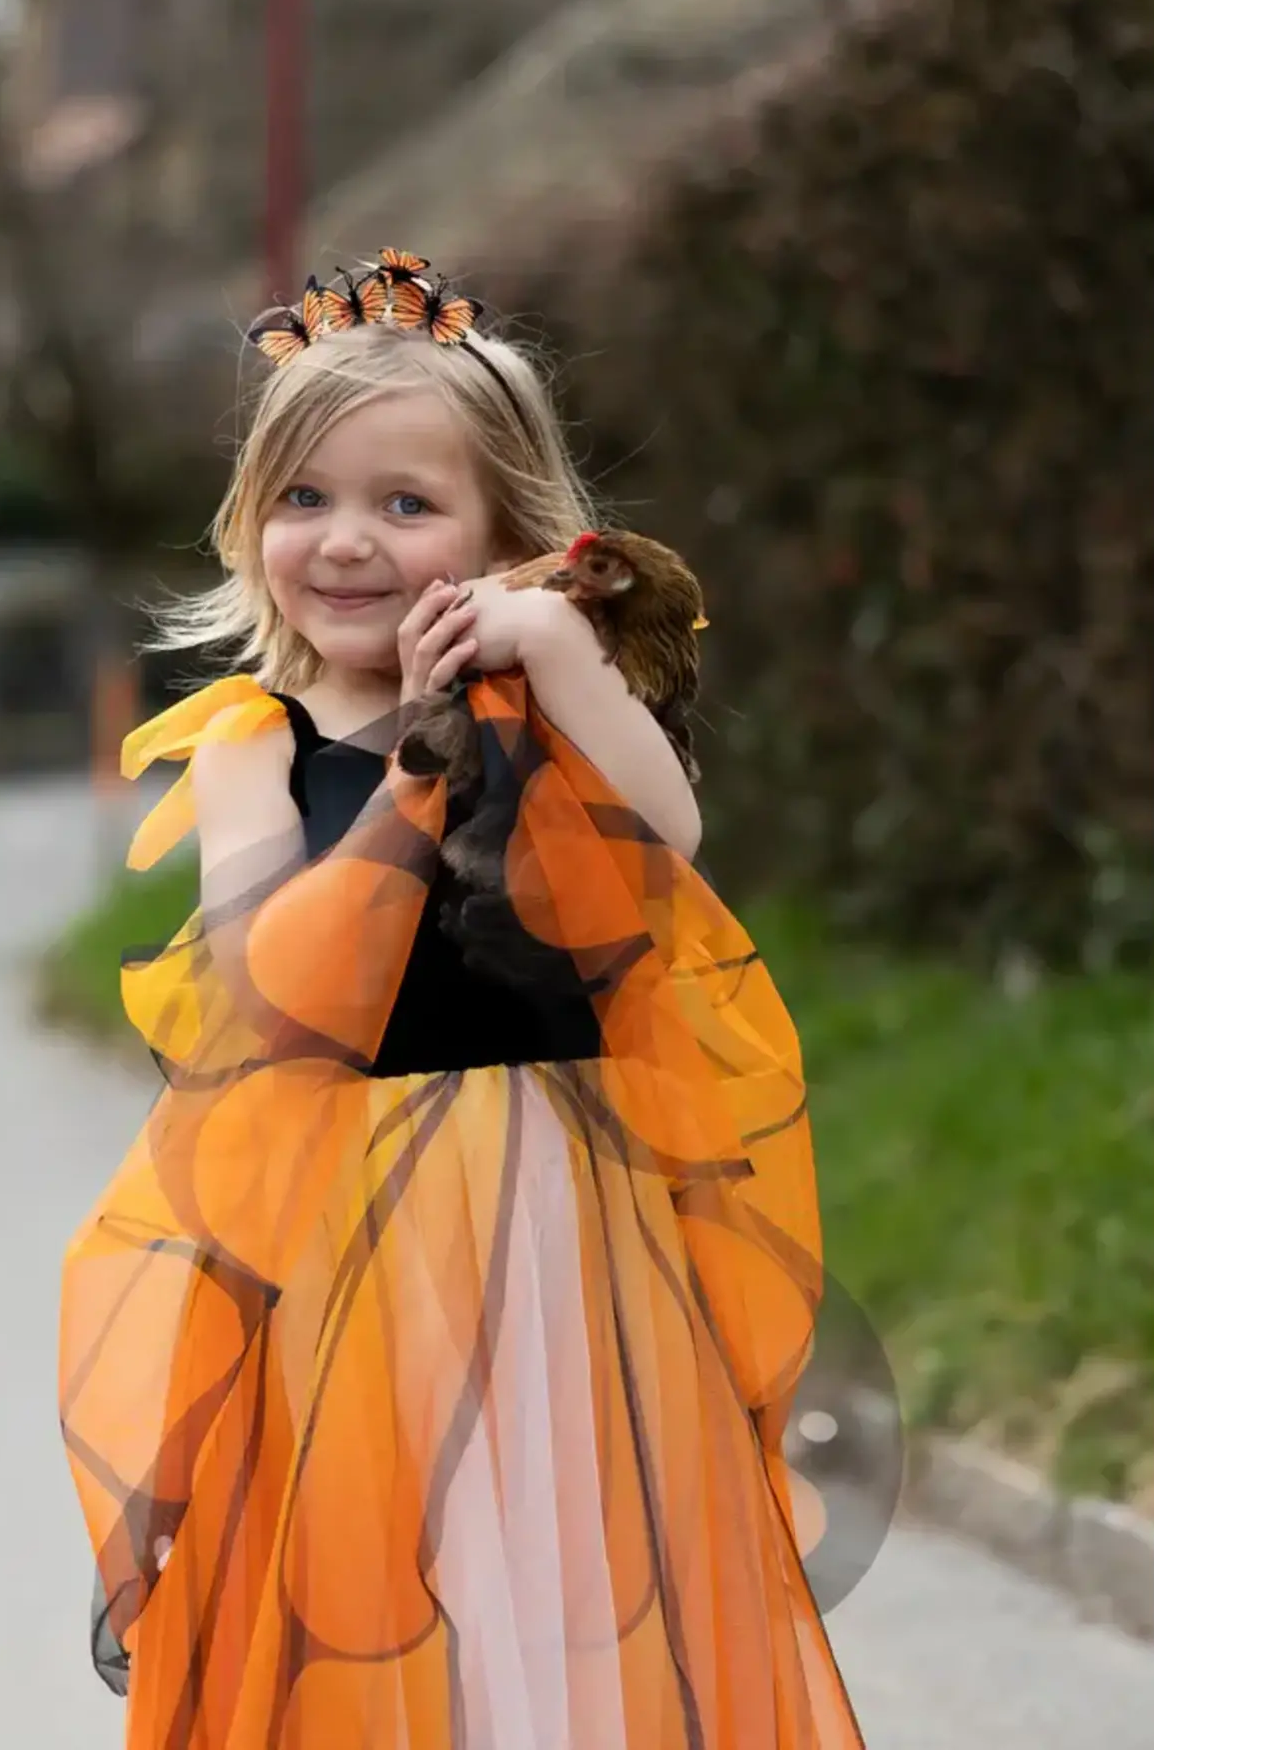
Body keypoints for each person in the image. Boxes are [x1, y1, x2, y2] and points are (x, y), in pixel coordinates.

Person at [59, 253, 864, 1749]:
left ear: (502, 535)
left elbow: (666, 847)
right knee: (381, 1585)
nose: (345, 540)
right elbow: (278, 986)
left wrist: (553, 650)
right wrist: (415, 774)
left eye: (406, 503)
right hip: (351, 1241)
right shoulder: (255, 745)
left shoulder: (544, 706)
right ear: (251, 524)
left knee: (568, 1580)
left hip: (563, 1221)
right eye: (304, 498)